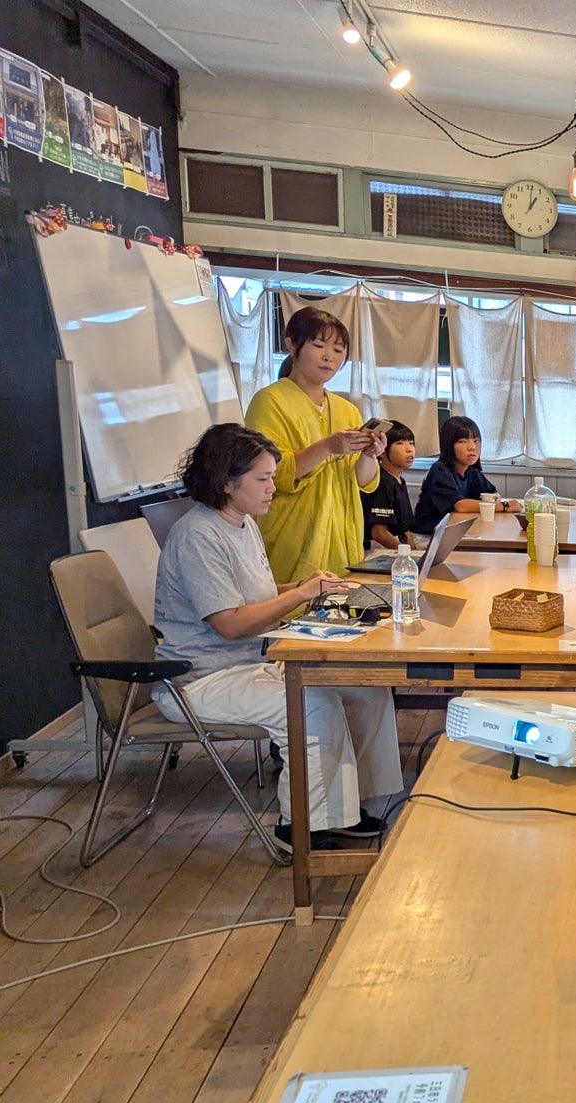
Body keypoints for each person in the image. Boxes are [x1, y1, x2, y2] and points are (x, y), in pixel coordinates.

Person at [153, 424, 403, 849]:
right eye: (263, 479)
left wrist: (307, 587)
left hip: (249, 663)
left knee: (365, 689)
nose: (273, 487)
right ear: (227, 482)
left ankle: (347, 808)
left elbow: (257, 596)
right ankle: (302, 827)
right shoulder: (198, 535)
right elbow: (230, 623)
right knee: (313, 703)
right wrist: (301, 594)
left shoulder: (242, 523)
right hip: (198, 679)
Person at [244, 306, 386, 584]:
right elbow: (272, 474)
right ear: (291, 345)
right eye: (319, 345)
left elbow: (361, 482)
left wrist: (370, 455)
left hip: (342, 534)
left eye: (338, 350)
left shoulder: (347, 410)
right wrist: (328, 447)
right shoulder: (269, 401)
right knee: (293, 601)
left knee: (343, 602)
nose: (329, 357)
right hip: (294, 531)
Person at [414, 415, 516, 535]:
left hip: (452, 532)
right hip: (427, 537)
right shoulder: (440, 470)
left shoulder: (470, 470)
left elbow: (491, 492)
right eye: (462, 441)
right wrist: (504, 506)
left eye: (476, 441)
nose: (472, 447)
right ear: (449, 445)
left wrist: (495, 498)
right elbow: (460, 505)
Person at [361, 420, 417, 550]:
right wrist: (407, 555)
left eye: (411, 443)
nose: (409, 449)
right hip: (378, 551)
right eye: (400, 443)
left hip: (399, 548)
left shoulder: (399, 480)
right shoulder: (382, 482)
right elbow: (379, 533)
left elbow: (405, 529)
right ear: (382, 450)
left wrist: (415, 553)